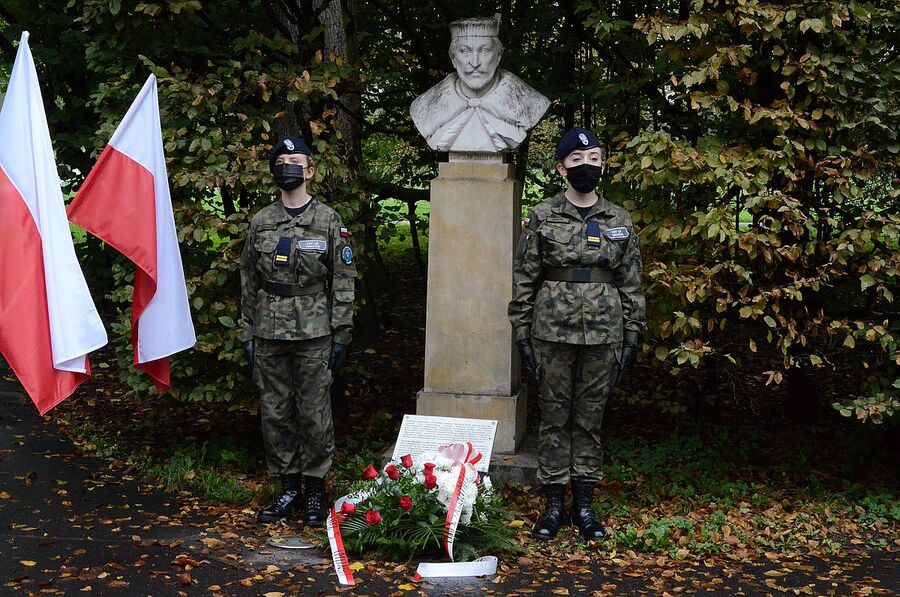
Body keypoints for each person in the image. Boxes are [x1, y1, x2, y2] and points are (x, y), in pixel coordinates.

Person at [508, 127, 646, 541]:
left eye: (594, 160)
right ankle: (552, 507)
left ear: (603, 165)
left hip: (605, 335)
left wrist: (634, 333)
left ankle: (583, 506)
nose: (586, 167)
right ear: (561, 167)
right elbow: (524, 278)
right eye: (576, 161)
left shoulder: (618, 219)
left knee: (589, 420)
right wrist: (521, 334)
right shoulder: (542, 216)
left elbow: (631, 281)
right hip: (551, 334)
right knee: (553, 419)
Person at [239, 136, 357, 526]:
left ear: (310, 170)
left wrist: (341, 333)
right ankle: (288, 488)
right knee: (275, 413)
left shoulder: (327, 220)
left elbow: (343, 280)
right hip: (269, 332)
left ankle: (315, 490)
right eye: (281, 161)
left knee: (315, 412)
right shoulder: (261, 222)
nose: (288, 166)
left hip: (314, 332)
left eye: (296, 160)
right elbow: (248, 280)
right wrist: (247, 332)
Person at [409, 14, 549, 153]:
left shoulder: (531, 104)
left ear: (498, 56)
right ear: (453, 59)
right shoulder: (424, 107)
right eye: (465, 51)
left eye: (484, 50)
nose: (475, 62)